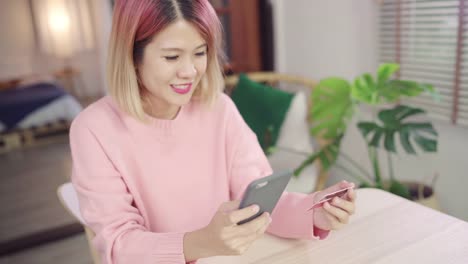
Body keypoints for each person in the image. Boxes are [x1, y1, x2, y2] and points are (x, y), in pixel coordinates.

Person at [69, 0, 356, 263]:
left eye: (199, 53)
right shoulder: (94, 129)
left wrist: (313, 213)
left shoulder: (219, 109)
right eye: (171, 57)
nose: (190, 71)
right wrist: (199, 244)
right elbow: (119, 245)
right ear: (132, 56)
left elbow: (258, 202)